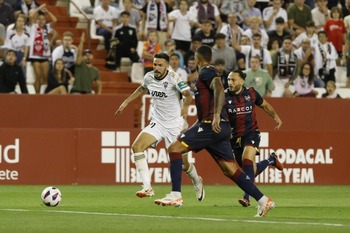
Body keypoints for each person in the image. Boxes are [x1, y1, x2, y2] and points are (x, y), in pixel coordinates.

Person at [155, 45, 275, 218]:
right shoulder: (207, 73)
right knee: (230, 169)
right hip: (218, 127)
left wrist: (216, 116)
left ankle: (175, 195)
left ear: (197, 59)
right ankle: (264, 200)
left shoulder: (206, 72)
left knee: (174, 149)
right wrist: (201, 122)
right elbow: (211, 99)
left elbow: (219, 87)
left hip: (213, 124)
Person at [115, 52, 204, 201]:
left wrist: (186, 107)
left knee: (184, 164)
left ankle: (196, 180)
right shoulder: (149, 77)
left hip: (174, 125)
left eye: (160, 65)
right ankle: (147, 187)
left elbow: (187, 94)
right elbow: (142, 89)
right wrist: (126, 102)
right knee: (137, 147)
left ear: (167, 66)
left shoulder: (173, 77)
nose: (156, 67)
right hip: (157, 122)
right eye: (155, 64)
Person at [225, 69, 282, 208]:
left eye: (233, 79)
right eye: (228, 80)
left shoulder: (251, 93)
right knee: (250, 171)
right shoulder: (224, 96)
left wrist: (275, 116)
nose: (230, 82)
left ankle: (247, 197)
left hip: (251, 133)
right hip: (234, 138)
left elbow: (265, 105)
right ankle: (271, 160)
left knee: (247, 160)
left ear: (242, 81)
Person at [28, 4, 57, 94]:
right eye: (39, 19)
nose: (41, 21)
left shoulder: (47, 28)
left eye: (43, 19)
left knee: (45, 77)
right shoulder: (33, 26)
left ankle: (44, 95)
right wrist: (39, 9)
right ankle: (37, 95)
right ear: (37, 20)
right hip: (35, 55)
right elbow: (31, 16)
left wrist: (47, 12)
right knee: (38, 76)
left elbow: (55, 20)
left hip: (45, 54)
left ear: (45, 21)